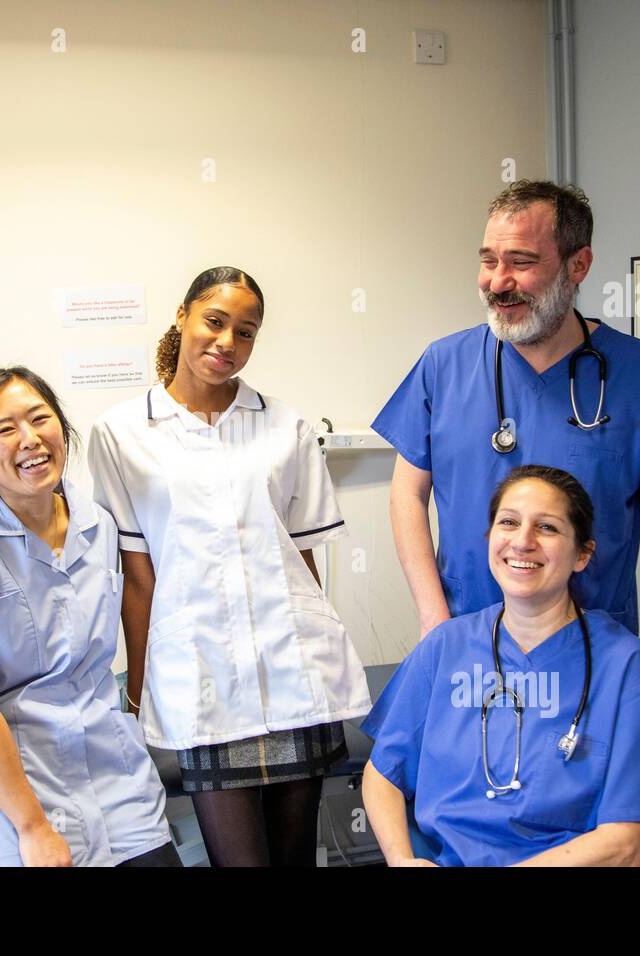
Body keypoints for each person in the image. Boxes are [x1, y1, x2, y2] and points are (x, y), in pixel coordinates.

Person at [372, 180, 640, 674]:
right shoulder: (444, 366)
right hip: (466, 641)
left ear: (578, 265)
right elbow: (406, 495)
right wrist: (433, 617)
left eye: (521, 262)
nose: (498, 282)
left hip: (594, 651)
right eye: (488, 261)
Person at [88, 266, 371, 867]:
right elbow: (138, 578)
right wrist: (138, 693)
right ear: (182, 317)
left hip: (292, 670)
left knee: (296, 858)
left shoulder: (284, 425)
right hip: (202, 674)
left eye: (246, 332)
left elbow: (304, 561)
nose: (227, 343)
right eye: (214, 322)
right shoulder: (120, 433)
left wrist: (317, 656)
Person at [362, 465, 640, 867]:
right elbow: (384, 772)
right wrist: (402, 860)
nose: (523, 542)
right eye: (508, 522)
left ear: (583, 554)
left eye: (547, 528)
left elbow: (623, 846)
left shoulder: (632, 672)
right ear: (490, 538)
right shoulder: (446, 647)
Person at [0, 366, 177, 867]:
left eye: (40, 419)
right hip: (5, 786)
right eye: (5, 429)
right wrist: (33, 827)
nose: (31, 439)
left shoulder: (100, 528)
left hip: (106, 766)